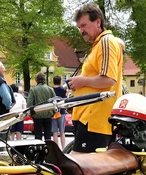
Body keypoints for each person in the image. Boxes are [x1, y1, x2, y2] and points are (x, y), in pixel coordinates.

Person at [67, 3, 123, 153]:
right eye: (79, 27)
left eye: (84, 25)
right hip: (89, 118)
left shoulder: (106, 42)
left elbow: (109, 79)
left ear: (98, 22)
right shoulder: (98, 45)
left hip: (94, 119)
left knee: (80, 169)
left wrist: (81, 81)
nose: (81, 31)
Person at [28, 72, 55, 141]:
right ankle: (48, 149)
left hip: (37, 115)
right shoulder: (50, 89)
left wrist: (31, 114)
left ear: (36, 80)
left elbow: (29, 104)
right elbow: (55, 102)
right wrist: (53, 113)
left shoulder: (33, 90)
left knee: (38, 136)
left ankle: (38, 150)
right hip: (48, 114)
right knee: (48, 136)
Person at [51, 75, 67, 147]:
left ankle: (56, 148)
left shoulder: (51, 89)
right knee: (62, 132)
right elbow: (66, 98)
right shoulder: (63, 89)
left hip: (53, 112)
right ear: (60, 81)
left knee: (55, 132)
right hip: (62, 112)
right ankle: (63, 148)